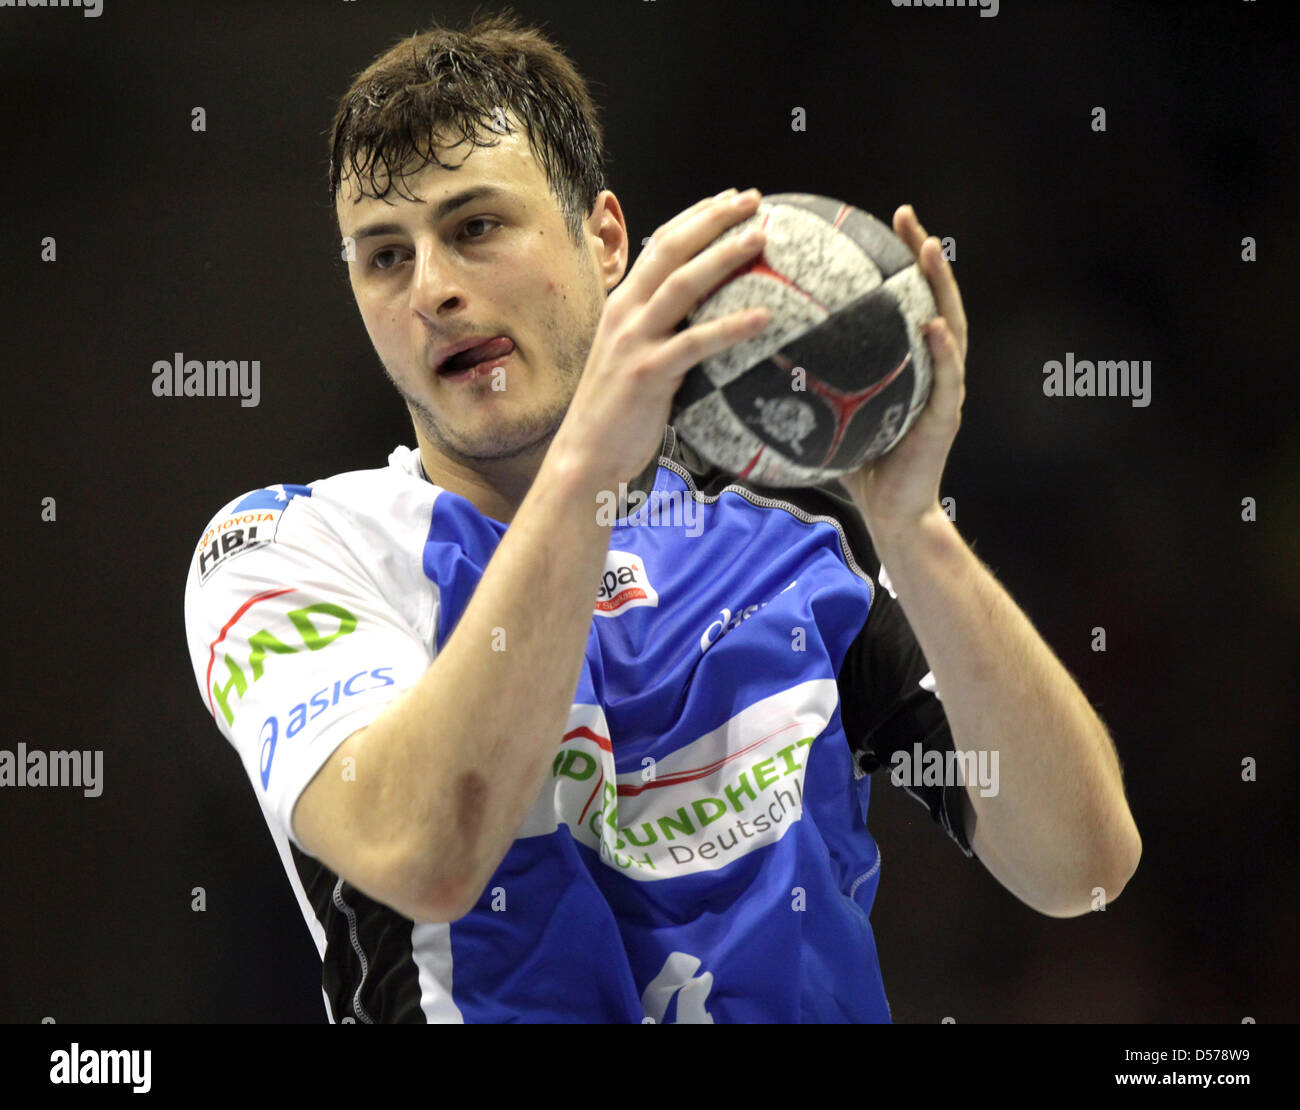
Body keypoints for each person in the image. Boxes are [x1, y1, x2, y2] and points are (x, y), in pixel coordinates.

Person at [183, 10, 1141, 1023]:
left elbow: (1078, 866)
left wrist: (912, 525)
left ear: (605, 241)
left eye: (474, 228)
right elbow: (420, 853)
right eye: (384, 256)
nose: (433, 292)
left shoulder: (791, 561)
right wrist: (594, 458)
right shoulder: (289, 552)